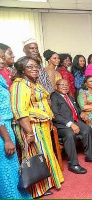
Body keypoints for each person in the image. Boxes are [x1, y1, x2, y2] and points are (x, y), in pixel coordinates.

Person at [10, 56, 64, 198]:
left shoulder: (34, 83)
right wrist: (29, 132)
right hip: (31, 127)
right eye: (30, 66)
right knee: (34, 155)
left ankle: (48, 182)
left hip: (42, 125)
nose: (35, 69)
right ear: (22, 69)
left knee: (44, 153)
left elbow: (44, 102)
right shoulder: (19, 85)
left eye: (36, 66)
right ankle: (37, 189)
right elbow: (20, 111)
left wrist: (49, 119)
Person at [51, 79, 92, 174]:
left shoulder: (69, 96)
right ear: (56, 86)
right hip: (61, 125)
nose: (65, 86)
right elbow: (55, 114)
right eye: (62, 85)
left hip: (74, 121)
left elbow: (75, 109)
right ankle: (73, 164)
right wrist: (70, 124)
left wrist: (82, 113)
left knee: (87, 129)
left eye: (67, 85)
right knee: (69, 134)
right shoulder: (54, 96)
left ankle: (90, 156)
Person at [0, 54, 32, 199]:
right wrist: (7, 139)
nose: (2, 61)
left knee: (11, 169)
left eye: (2, 57)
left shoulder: (1, 78)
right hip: (2, 132)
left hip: (6, 128)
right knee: (5, 172)